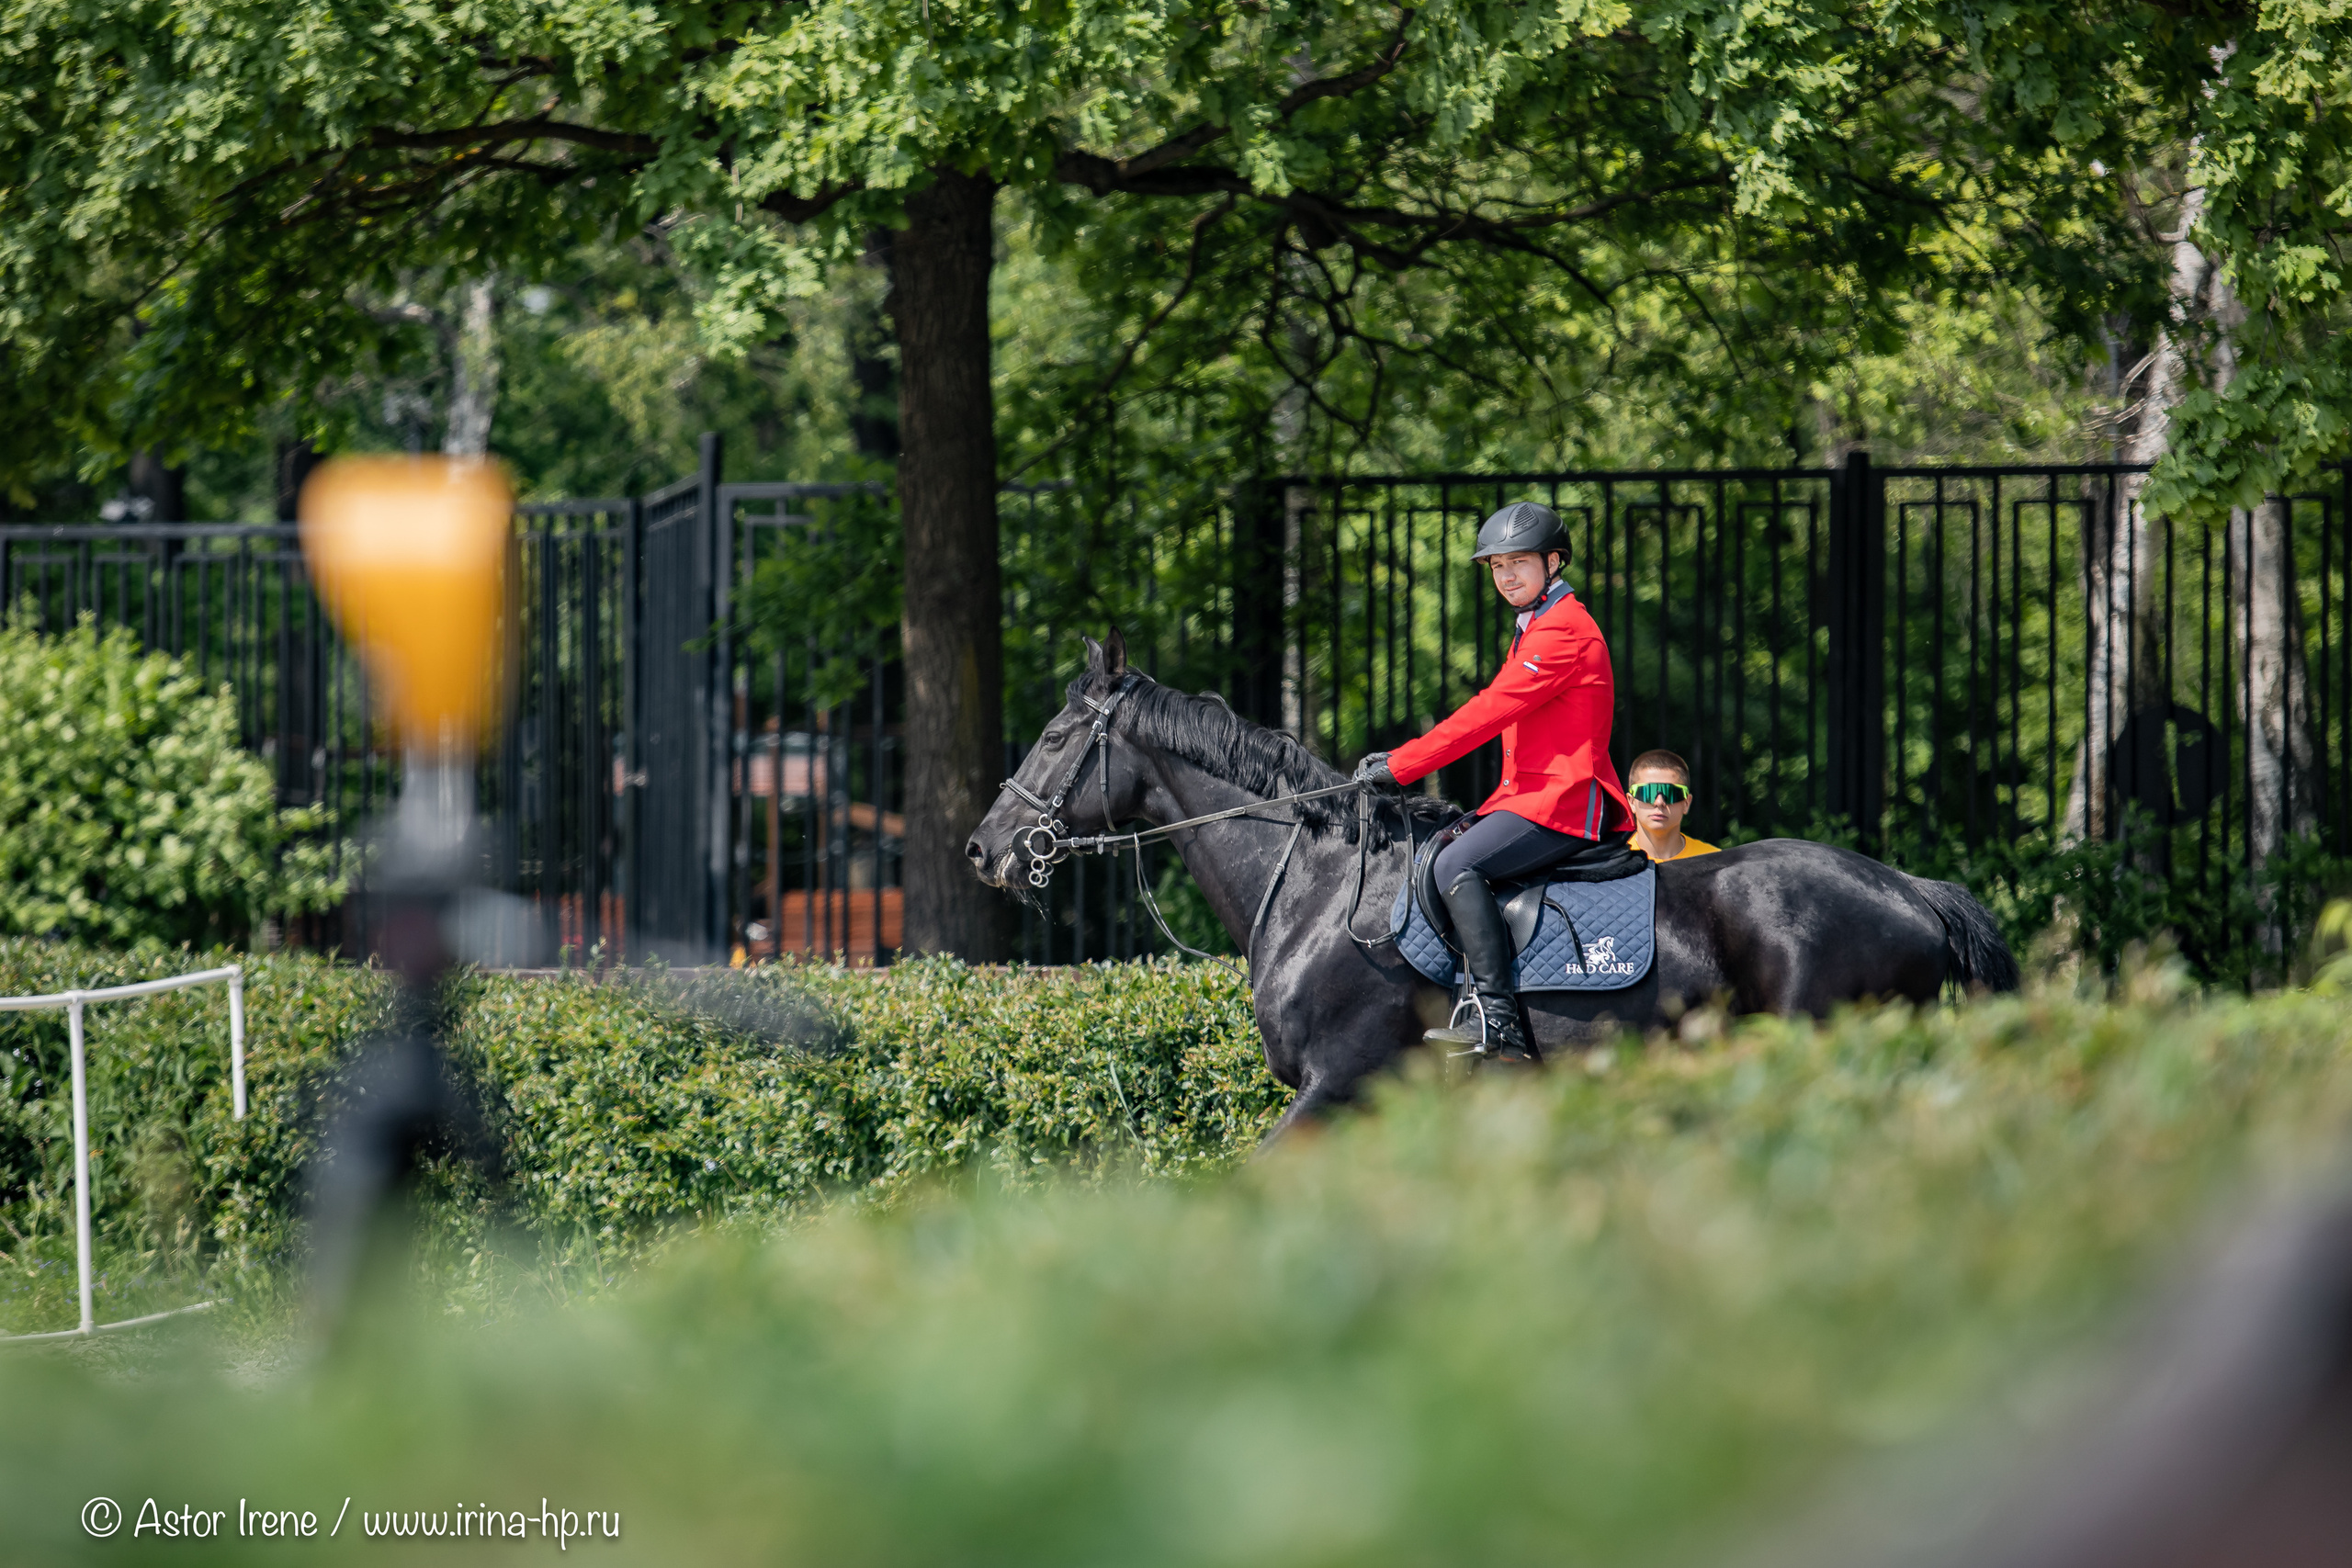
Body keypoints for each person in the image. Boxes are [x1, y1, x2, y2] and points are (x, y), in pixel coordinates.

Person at [1352, 501, 1630, 1062]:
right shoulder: (1538, 626)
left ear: (1553, 562)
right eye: (1496, 566)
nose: (1506, 577)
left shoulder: (1563, 631)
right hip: (1529, 797)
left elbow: (1488, 713)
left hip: (1565, 802)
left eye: (1518, 563)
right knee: (1443, 851)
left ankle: (1497, 1024)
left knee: (1459, 864)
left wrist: (1401, 765)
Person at [1623, 749, 1720, 863]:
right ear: (1631, 801)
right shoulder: (1614, 864)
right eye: (1649, 792)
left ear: (1687, 803)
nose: (1659, 802)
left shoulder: (1715, 863)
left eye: (1671, 793)